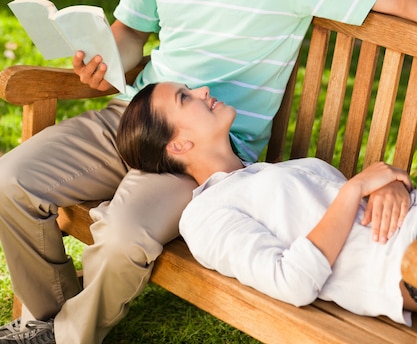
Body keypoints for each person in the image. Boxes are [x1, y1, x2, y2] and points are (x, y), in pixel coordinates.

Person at [1, 0, 417, 344]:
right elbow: (129, 37)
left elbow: (402, 3)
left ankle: (67, 339)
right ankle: (47, 319)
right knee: (11, 180)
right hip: (134, 111)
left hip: (204, 157)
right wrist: (105, 61)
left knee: (125, 235)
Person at [116, 81, 417, 326]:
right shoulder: (204, 215)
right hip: (401, 260)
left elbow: (358, 205)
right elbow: (292, 282)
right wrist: (355, 189)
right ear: (178, 145)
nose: (202, 91)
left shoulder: (274, 170)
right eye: (185, 98)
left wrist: (389, 186)